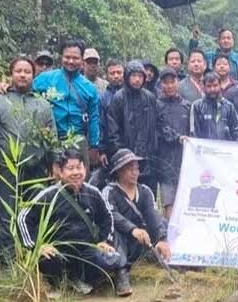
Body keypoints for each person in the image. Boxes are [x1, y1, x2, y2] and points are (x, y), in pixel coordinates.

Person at [17, 150, 124, 295]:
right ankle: (58, 282)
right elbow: (23, 218)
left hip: (85, 249)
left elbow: (107, 218)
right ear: (60, 172)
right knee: (49, 259)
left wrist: (104, 240)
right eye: (70, 168)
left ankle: (84, 279)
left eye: (79, 167)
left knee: (109, 260)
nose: (76, 172)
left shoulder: (93, 193)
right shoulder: (49, 195)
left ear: (85, 169)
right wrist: (37, 246)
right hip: (58, 251)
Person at [0, 56, 57, 265]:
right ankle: (8, 261)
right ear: (11, 74)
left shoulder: (42, 104)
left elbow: (52, 137)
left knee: (36, 209)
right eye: (18, 71)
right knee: (6, 212)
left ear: (33, 75)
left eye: (27, 71)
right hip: (7, 166)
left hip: (37, 168)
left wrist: (54, 163)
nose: (23, 75)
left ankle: (34, 255)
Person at [103, 149, 171, 297]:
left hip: (141, 241)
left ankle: (165, 257)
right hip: (121, 241)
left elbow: (152, 215)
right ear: (119, 171)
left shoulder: (145, 191)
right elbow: (111, 215)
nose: (135, 172)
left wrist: (161, 238)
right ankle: (121, 273)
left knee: (164, 224)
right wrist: (132, 229)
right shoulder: (109, 192)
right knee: (115, 231)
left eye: (136, 169)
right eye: (130, 169)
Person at [33, 39, 100, 171]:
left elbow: (94, 118)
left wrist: (94, 145)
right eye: (67, 57)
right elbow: (25, 91)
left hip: (78, 140)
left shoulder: (89, 88)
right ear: (61, 57)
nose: (70, 61)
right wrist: (5, 87)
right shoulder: (46, 79)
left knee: (78, 182)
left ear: (82, 60)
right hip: (52, 140)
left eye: (75, 58)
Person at [106, 60, 159, 194]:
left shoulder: (150, 98)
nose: (137, 80)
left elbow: (155, 127)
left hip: (147, 159)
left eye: (140, 76)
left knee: (147, 196)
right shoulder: (119, 98)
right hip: (125, 158)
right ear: (127, 77)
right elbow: (113, 129)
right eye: (133, 76)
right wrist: (122, 155)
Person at [156, 68, 191, 217]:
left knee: (186, 201)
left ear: (178, 82)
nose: (169, 86)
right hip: (165, 161)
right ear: (161, 85)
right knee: (169, 202)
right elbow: (158, 128)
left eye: (172, 82)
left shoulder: (188, 106)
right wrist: (176, 137)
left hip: (186, 160)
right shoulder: (156, 105)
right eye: (166, 83)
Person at [190, 73, 238, 141]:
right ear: (203, 87)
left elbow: (237, 132)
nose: (212, 89)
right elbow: (194, 133)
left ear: (220, 85)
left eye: (215, 85)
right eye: (209, 86)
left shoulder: (229, 106)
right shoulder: (197, 106)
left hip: (225, 149)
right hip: (205, 149)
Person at [97, 59, 125, 171]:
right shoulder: (104, 98)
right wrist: (102, 150)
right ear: (106, 76)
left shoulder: (131, 94)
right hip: (111, 148)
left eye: (119, 72)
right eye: (112, 73)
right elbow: (101, 124)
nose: (116, 76)